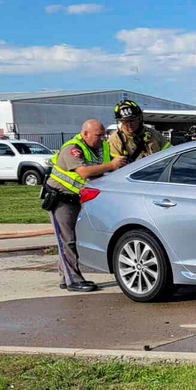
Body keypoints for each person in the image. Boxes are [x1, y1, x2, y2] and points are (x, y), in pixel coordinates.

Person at [45, 119, 128, 292]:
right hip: (61, 199)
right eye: (98, 135)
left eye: (104, 135)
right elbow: (83, 172)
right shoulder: (73, 148)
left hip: (79, 199)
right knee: (67, 241)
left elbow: (101, 170)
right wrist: (112, 165)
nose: (102, 139)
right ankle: (73, 280)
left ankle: (65, 277)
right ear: (85, 134)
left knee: (72, 239)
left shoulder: (100, 148)